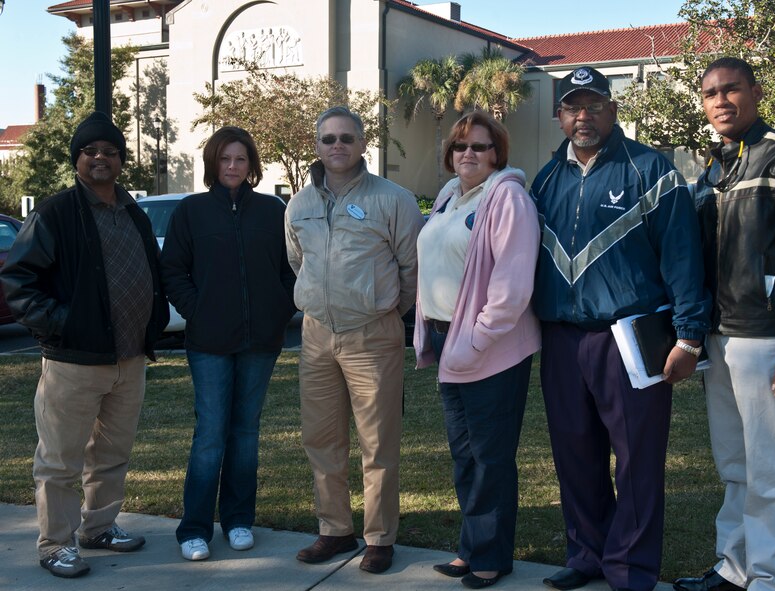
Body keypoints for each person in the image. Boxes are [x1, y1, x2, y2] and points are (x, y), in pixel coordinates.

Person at [530, 67, 711, 591]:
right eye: (571, 106)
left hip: (632, 338)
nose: (582, 115)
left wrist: (689, 336)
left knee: (636, 458)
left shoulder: (651, 169)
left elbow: (683, 257)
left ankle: (630, 568)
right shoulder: (544, 179)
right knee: (574, 452)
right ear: (559, 115)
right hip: (562, 338)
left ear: (612, 109)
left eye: (593, 105)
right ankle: (587, 554)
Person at [673, 57, 775, 591]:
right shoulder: (714, 168)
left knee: (774, 468)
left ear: (755, 92)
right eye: (711, 92)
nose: (720, 101)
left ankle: (772, 579)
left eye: (731, 89)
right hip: (720, 338)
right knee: (736, 465)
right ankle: (735, 569)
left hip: (768, 341)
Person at [0, 112, 169, 579]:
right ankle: (55, 544)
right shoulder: (55, 213)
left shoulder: (132, 210)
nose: (100, 158)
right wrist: (59, 324)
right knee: (59, 460)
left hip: (129, 359)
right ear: (77, 159)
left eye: (110, 151)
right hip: (73, 361)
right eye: (90, 151)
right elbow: (18, 280)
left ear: (120, 160)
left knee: (112, 454)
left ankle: (99, 528)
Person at [285, 105, 424, 574]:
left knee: (377, 442)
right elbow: (296, 261)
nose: (337, 146)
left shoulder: (395, 199)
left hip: (373, 335)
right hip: (317, 335)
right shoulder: (299, 204)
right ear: (318, 146)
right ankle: (334, 529)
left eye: (346, 137)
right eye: (328, 139)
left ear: (363, 144)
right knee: (321, 439)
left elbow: (411, 271)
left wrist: (381, 311)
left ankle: (380, 536)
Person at [413, 111, 540, 589]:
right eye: (462, 146)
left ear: (497, 153)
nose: (469, 154)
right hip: (449, 339)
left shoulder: (508, 197)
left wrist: (478, 338)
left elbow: (511, 283)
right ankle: (472, 547)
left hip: (492, 347)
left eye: (480, 147)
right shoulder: (448, 196)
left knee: (490, 456)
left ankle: (491, 555)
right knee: (465, 455)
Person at [161, 126, 296, 561]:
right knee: (210, 435)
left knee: (246, 434)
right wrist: (197, 309)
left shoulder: (272, 210)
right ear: (212, 165)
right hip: (208, 343)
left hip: (261, 341)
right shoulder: (191, 212)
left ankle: (238, 520)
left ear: (251, 165)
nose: (233, 166)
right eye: (225, 159)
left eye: (240, 159)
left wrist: (278, 308)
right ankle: (194, 528)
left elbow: (290, 269)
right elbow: (173, 272)